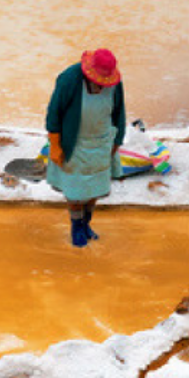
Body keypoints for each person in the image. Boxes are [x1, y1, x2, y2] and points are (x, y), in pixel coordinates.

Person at [45, 48, 126, 247]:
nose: (101, 88)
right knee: (75, 192)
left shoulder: (114, 82)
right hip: (75, 143)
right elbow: (54, 114)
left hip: (101, 143)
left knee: (95, 189)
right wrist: (55, 145)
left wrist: (117, 142)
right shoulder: (69, 79)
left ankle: (86, 223)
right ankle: (76, 226)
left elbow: (119, 112)